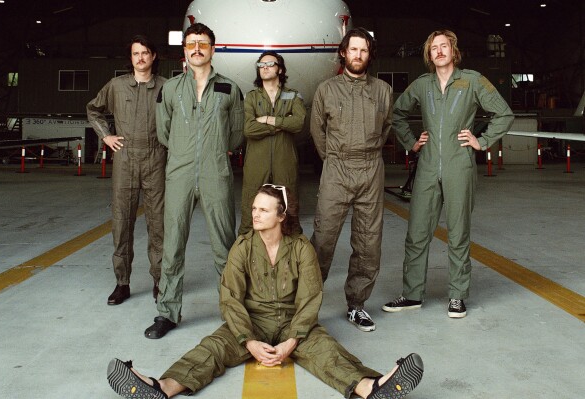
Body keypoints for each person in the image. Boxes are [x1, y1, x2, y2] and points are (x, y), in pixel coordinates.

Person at [107, 185, 424, 399]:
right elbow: (230, 297)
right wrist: (248, 340)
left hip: (292, 322)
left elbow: (310, 298)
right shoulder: (242, 247)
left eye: (264, 209)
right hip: (250, 321)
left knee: (327, 352)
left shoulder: (301, 249)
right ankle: (158, 388)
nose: (255, 214)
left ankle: (373, 387)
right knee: (210, 350)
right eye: (254, 208)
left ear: (281, 216)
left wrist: (292, 340)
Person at [382, 30, 514, 318]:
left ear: (454, 51)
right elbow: (397, 114)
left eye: (444, 46)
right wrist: (411, 141)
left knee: (458, 232)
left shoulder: (473, 80)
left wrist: (483, 141)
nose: (439, 51)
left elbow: (503, 113)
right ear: (429, 55)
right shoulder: (422, 85)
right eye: (434, 48)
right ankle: (412, 294)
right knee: (417, 232)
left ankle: (457, 295)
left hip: (459, 165)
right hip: (428, 166)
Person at [145, 23, 244, 339]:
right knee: (172, 244)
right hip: (180, 175)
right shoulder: (171, 89)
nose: (197, 48)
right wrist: (185, 153)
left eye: (203, 43)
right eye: (191, 44)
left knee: (224, 247)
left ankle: (232, 313)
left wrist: (215, 150)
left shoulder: (230, 88)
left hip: (217, 173)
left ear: (213, 49)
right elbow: (163, 132)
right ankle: (167, 313)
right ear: (184, 51)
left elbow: (238, 132)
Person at [309, 27, 393, 332]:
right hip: (337, 169)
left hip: (371, 169)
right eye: (353, 49)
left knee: (369, 242)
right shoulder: (326, 90)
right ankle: (307, 306)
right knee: (324, 238)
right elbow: (317, 130)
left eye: (364, 50)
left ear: (369, 55)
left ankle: (357, 305)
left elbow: (386, 128)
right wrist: (333, 159)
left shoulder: (383, 90)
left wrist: (367, 156)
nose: (358, 55)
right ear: (343, 53)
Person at [86, 35, 167, 305]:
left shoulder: (166, 87)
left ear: (154, 56)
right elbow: (93, 110)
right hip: (125, 157)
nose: (141, 57)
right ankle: (122, 282)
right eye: (136, 53)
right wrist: (106, 136)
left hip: (156, 157)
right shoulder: (117, 86)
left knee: (158, 224)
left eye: (145, 52)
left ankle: (159, 280)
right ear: (130, 58)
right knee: (122, 222)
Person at [238, 51, 306, 236]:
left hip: (285, 164)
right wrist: (282, 123)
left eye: (269, 64)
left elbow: (298, 123)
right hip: (255, 165)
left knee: (289, 212)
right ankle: (245, 258)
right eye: (261, 65)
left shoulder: (293, 96)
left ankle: (292, 258)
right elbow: (249, 129)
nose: (264, 67)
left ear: (280, 69)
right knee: (250, 211)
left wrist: (268, 119)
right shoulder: (251, 97)